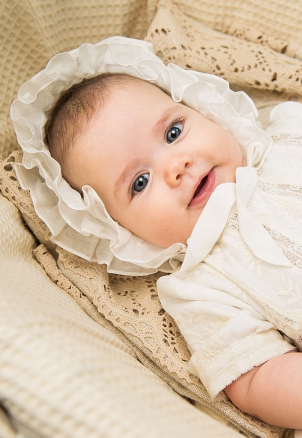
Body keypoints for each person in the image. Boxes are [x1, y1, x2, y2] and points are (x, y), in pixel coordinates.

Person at [11, 36, 302, 431]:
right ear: (118, 232)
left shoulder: (288, 131)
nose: (176, 166)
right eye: (140, 182)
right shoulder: (199, 287)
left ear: (204, 110)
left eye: (173, 133)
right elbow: (254, 377)